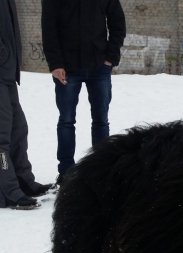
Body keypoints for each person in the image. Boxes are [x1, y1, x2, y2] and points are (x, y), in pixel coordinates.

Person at [41, 0, 126, 182]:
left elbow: (118, 22)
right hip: (67, 68)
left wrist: (111, 57)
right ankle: (66, 173)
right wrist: (55, 64)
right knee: (66, 121)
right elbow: (48, 27)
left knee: (101, 121)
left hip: (99, 67)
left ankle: (100, 170)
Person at [1, 0, 51, 210]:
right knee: (1, 136)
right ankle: (8, 190)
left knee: (19, 129)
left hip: (7, 72)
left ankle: (23, 180)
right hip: (3, 68)